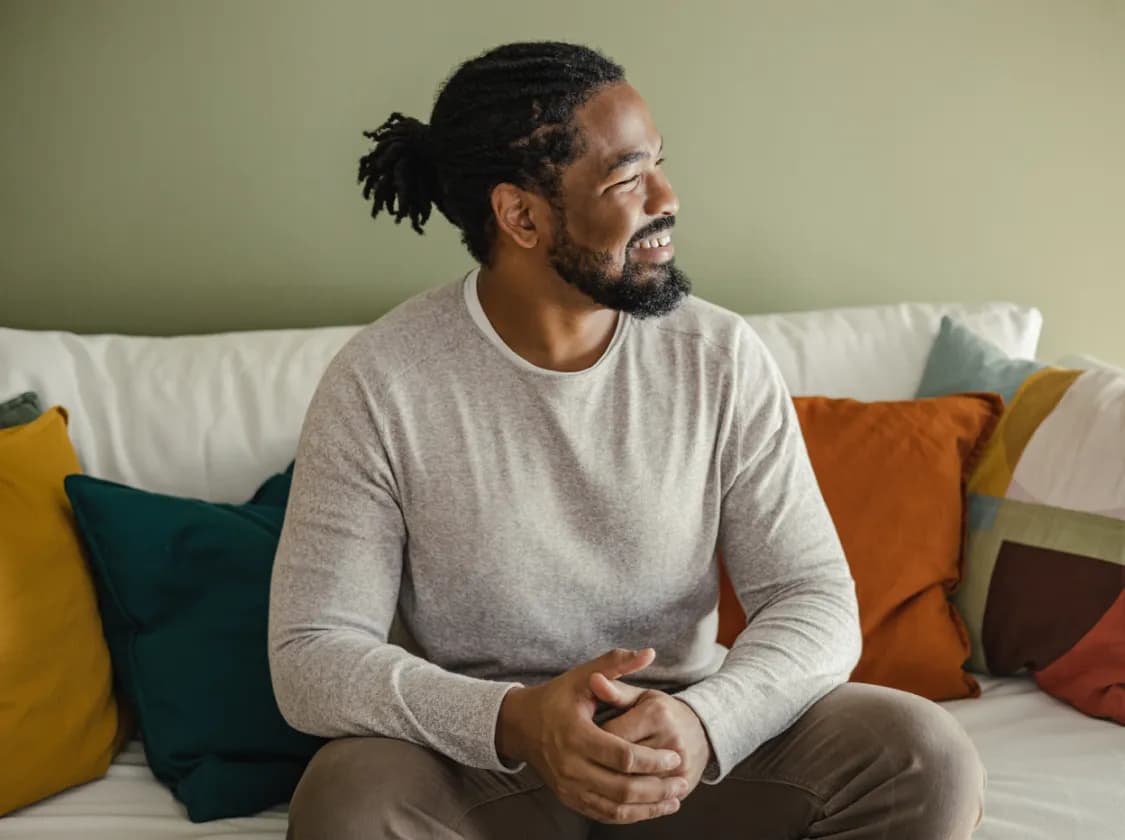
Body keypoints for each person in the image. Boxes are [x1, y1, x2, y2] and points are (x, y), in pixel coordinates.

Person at [267, 40, 985, 839]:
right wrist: (517, 720)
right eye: (627, 178)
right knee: (346, 801)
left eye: (660, 165)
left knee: (924, 757)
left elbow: (811, 598)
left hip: (683, 749)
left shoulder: (716, 354)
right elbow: (311, 654)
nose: (667, 198)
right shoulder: (380, 379)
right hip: (488, 759)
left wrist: (707, 723)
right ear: (521, 216)